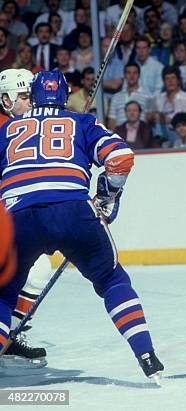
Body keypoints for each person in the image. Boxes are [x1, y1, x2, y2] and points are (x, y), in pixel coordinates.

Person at [0, 71, 164, 380]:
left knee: (3, 295)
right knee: (112, 280)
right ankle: (146, 353)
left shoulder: (8, 128)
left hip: (19, 216)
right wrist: (107, 195)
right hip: (74, 211)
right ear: (65, 97)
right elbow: (121, 157)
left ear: (32, 97)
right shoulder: (82, 123)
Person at [0, 68, 57, 366]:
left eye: (31, 97)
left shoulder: (29, 125)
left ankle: (9, 335)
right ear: (6, 100)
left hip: (12, 222)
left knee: (38, 269)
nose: (30, 103)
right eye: (24, 97)